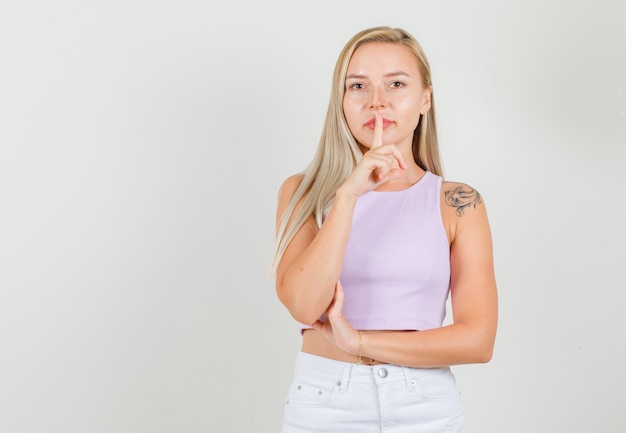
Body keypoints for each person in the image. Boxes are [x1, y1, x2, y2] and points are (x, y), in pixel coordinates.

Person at [271, 26, 497, 433]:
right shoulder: (302, 192)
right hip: (325, 403)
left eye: (396, 83)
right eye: (358, 85)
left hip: (426, 405)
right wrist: (348, 195)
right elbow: (304, 306)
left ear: (425, 98)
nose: (377, 101)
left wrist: (359, 343)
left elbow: (478, 341)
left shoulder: (458, 203)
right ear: (341, 101)